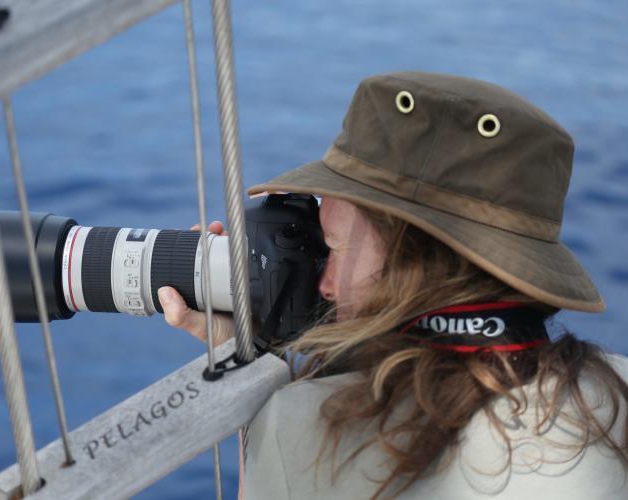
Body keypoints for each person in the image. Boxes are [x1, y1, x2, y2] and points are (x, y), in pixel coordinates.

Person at [157, 72, 628, 499]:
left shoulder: (309, 429)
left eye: (334, 248)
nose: (325, 284)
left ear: (409, 264)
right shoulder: (616, 397)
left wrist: (253, 364)